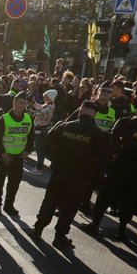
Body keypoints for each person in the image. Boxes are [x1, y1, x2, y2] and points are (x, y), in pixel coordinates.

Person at [84, 98, 137, 241]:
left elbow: (111, 140)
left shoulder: (126, 121)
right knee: (130, 198)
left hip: (119, 166)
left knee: (105, 195)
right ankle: (121, 230)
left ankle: (95, 224)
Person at [31, 101, 107, 249]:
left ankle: (38, 230)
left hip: (60, 172)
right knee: (70, 207)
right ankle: (60, 237)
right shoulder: (98, 134)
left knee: (50, 201)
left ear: (79, 111)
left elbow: (47, 144)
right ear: (95, 115)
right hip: (81, 177)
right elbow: (103, 158)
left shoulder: (64, 125)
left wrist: (56, 160)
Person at [0, 92, 34, 216]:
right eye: (20, 103)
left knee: (14, 184)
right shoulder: (3, 119)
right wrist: (3, 153)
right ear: (14, 102)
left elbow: (31, 138)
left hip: (19, 158)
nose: (22, 105)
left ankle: (9, 206)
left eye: (25, 103)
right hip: (4, 157)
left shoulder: (28, 118)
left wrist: (27, 151)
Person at [28, 89, 55, 174]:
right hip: (41, 128)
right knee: (40, 149)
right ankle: (39, 168)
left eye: (45, 96)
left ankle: (39, 169)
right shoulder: (49, 105)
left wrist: (28, 107)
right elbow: (40, 107)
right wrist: (33, 102)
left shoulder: (49, 107)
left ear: (50, 97)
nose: (44, 97)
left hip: (41, 129)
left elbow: (33, 113)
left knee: (39, 150)